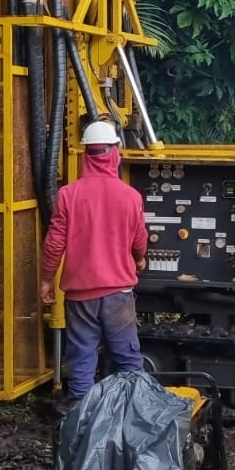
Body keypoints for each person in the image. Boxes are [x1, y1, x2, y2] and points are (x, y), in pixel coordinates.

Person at [40, 119, 148, 404]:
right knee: (127, 359)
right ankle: (134, 417)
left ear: (86, 154)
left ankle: (81, 422)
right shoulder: (130, 197)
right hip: (118, 296)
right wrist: (139, 259)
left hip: (80, 297)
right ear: (115, 152)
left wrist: (46, 279)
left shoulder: (68, 195)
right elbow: (139, 239)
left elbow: (54, 243)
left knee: (82, 358)